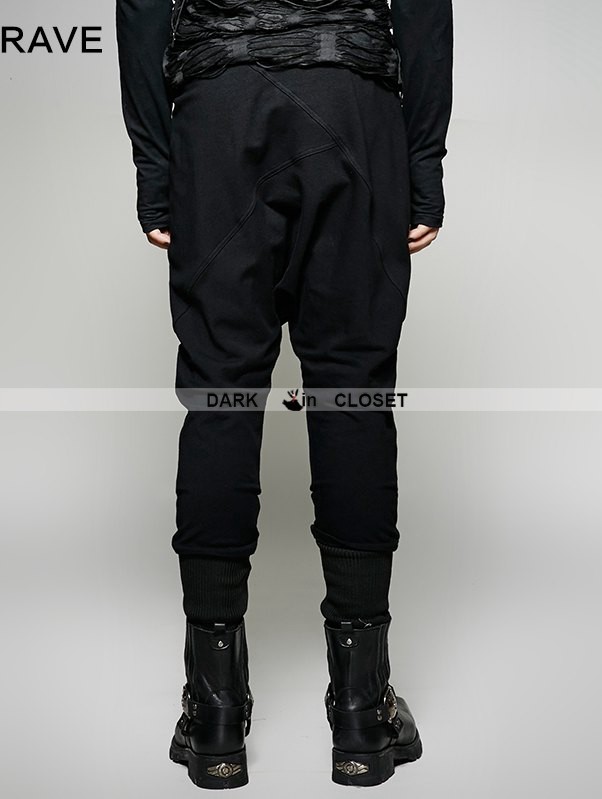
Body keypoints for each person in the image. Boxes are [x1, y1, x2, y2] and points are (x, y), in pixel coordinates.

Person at [116, 0, 453, 789]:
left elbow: (140, 7)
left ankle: (215, 716)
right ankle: (362, 713)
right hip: (352, 106)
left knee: (220, 395)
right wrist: (422, 162)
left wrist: (157, 168)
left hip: (219, 114)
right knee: (352, 393)